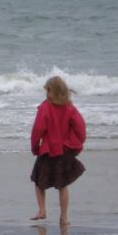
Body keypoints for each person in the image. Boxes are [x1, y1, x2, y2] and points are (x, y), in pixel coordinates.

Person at [30, 76, 86, 225]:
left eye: (47, 90)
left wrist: (35, 147)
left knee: (38, 181)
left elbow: (37, 130)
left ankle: (42, 210)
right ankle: (63, 217)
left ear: (51, 90)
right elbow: (80, 128)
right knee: (63, 185)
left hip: (48, 151)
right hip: (65, 151)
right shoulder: (70, 108)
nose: (46, 94)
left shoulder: (45, 107)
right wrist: (75, 144)